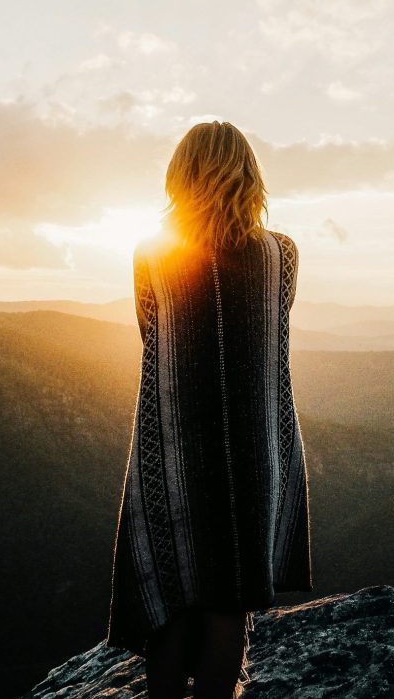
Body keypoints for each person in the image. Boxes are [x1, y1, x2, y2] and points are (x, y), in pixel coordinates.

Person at [104, 120, 313, 698]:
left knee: (169, 598)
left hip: (170, 450)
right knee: (230, 601)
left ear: (179, 177)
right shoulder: (281, 255)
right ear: (250, 177)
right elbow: (275, 323)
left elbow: (151, 333)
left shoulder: (153, 255)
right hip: (254, 448)